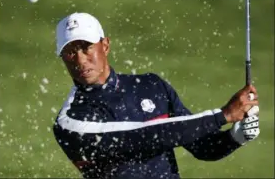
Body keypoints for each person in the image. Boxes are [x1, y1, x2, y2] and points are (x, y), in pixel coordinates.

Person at [53, 12, 260, 179]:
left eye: (86, 48)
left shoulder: (151, 85)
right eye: (70, 52)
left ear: (105, 45)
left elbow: (202, 147)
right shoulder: (70, 121)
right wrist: (223, 115)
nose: (80, 60)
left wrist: (235, 137)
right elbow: (145, 136)